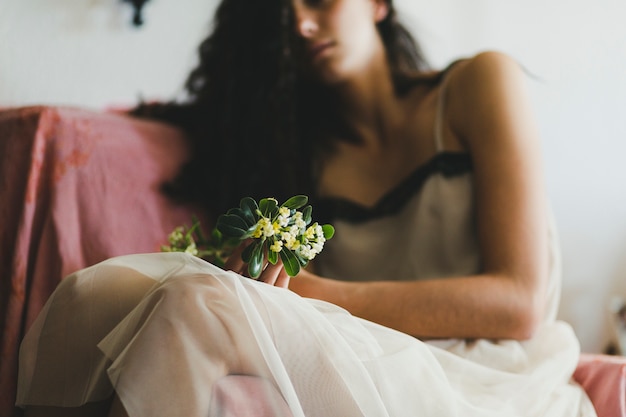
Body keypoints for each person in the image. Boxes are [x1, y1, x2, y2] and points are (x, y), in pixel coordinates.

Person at [16, 0, 596, 416]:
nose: (301, 22)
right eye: (282, 13)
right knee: (98, 293)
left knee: (201, 305)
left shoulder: (478, 84)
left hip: (495, 373)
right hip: (368, 350)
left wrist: (315, 294)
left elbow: (517, 302)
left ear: (378, 4)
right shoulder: (300, 154)